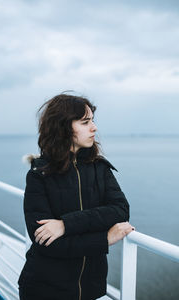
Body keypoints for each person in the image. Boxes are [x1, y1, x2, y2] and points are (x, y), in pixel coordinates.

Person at [18, 93, 134, 300]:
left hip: (89, 289)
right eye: (85, 122)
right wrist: (104, 239)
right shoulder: (39, 175)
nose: (94, 128)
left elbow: (120, 210)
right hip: (44, 289)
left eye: (92, 121)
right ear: (63, 127)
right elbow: (46, 241)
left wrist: (65, 225)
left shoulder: (100, 168)